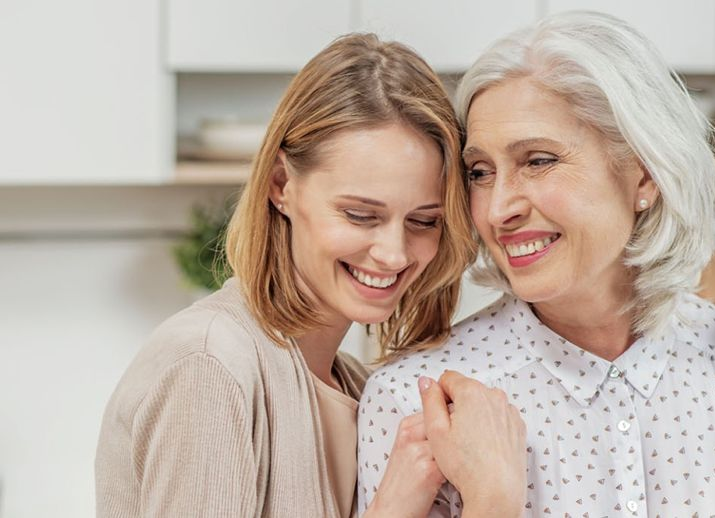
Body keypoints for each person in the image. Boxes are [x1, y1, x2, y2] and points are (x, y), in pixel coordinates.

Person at [357, 11, 715, 517]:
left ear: (644, 176)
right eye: (480, 172)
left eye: (538, 160)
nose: (497, 209)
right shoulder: (415, 403)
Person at [95, 33, 526, 518]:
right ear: (282, 186)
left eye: (424, 221)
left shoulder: (359, 389)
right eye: (360, 215)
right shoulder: (209, 365)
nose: (393, 253)